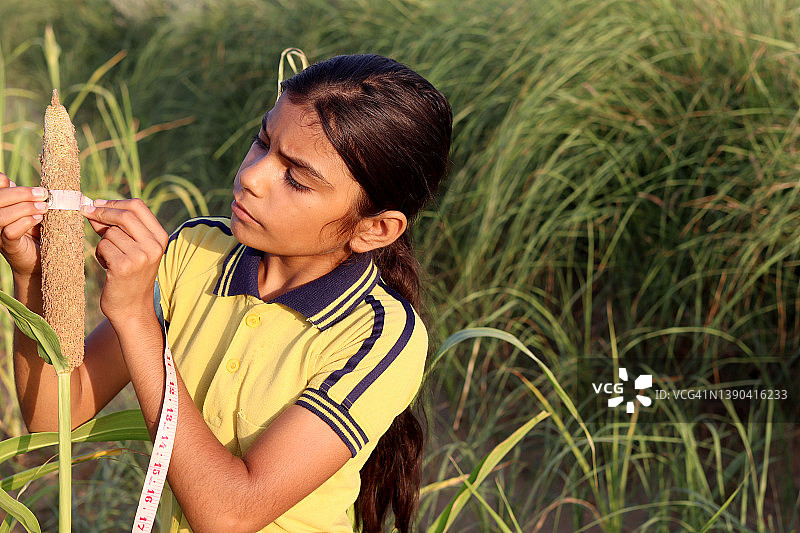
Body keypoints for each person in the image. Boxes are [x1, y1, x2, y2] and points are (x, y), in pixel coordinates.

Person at [0, 54, 452, 532]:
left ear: (375, 228)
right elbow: (53, 414)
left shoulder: (381, 337)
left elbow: (228, 516)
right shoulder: (196, 251)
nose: (251, 177)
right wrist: (31, 272)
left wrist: (137, 320)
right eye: (262, 143)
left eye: (296, 179)